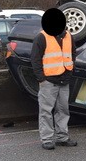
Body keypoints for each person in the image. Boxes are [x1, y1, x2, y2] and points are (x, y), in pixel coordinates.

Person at [31, 8, 77, 149]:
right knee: (46, 111)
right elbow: (35, 59)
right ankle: (47, 140)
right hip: (49, 81)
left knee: (63, 110)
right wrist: (41, 79)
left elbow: (72, 53)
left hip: (64, 79)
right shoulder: (42, 37)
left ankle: (62, 137)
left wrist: (69, 71)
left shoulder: (68, 35)